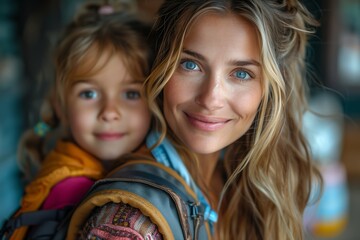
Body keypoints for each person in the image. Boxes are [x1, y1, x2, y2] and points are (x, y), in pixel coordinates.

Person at [75, 0, 323, 239]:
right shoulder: (132, 223)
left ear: (269, 89)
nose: (210, 99)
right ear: (160, 67)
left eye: (241, 73)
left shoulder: (239, 177)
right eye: (191, 65)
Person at [5, 1, 154, 239]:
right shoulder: (72, 191)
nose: (109, 111)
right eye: (89, 94)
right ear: (60, 106)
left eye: (131, 94)